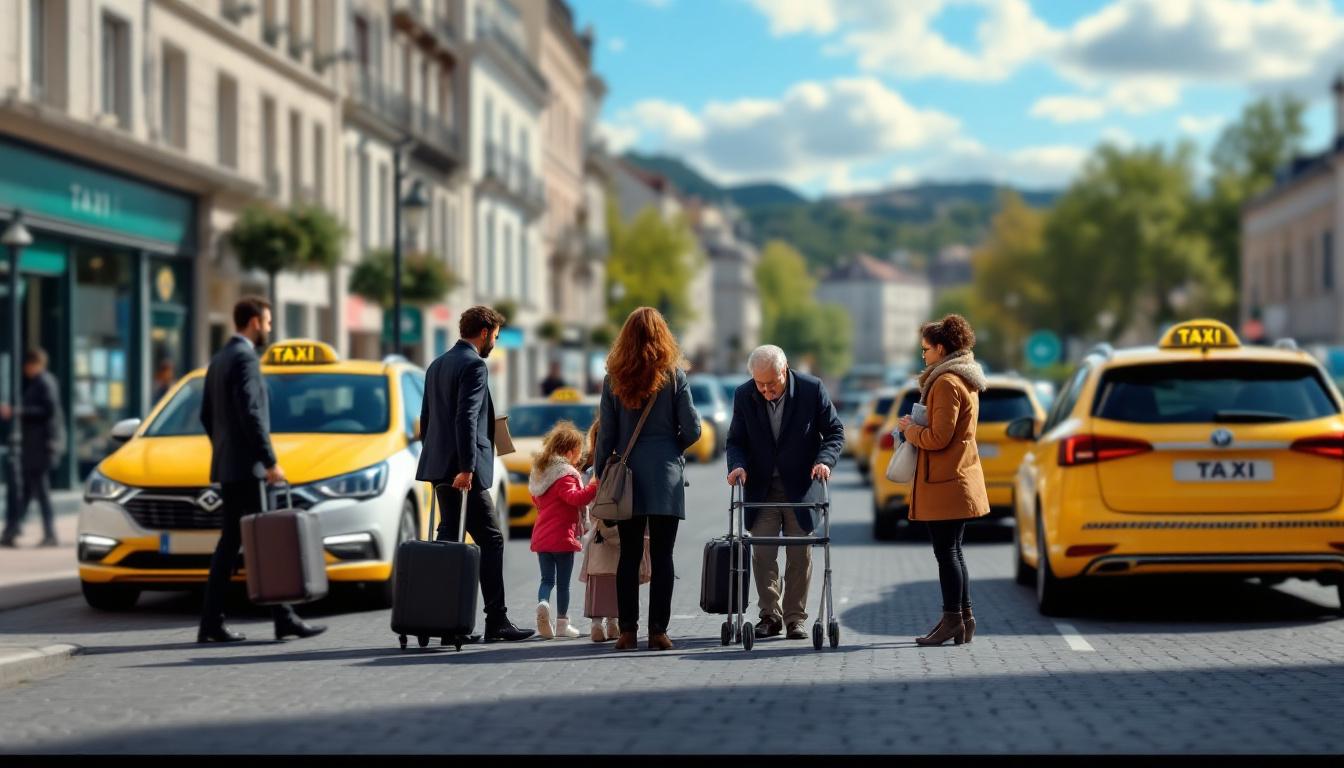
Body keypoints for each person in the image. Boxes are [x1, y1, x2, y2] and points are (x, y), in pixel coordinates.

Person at [197, 297, 326, 643]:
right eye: (267, 322)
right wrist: (268, 461)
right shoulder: (244, 359)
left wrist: (225, 452)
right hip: (249, 469)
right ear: (254, 322)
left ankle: (214, 622)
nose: (269, 328)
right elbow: (252, 414)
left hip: (229, 466)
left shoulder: (219, 359)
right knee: (266, 544)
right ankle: (280, 618)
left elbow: (206, 416)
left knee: (233, 544)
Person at [416, 306, 532, 642]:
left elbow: (428, 419)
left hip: (439, 466)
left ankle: (436, 619)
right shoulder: (473, 365)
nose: (494, 342)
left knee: (448, 539)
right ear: (483, 332)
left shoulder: (437, 365)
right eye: (495, 335)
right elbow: (465, 418)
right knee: (491, 539)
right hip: (460, 471)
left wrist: (437, 459)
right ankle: (496, 621)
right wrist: (466, 467)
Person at [594, 307, 701, 651]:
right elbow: (694, 428)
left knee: (628, 554)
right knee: (663, 554)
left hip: (627, 476)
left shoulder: (614, 377)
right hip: (665, 476)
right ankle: (659, 631)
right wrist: (672, 448)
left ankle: (627, 631)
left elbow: (606, 434)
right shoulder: (673, 375)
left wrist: (601, 475)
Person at [725, 345, 844, 640]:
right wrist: (737, 466)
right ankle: (770, 617)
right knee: (763, 554)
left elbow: (834, 432)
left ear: (785, 369)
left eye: (772, 384)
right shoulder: (743, 394)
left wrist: (824, 461)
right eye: (760, 384)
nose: (766, 391)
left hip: (801, 487)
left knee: (799, 554)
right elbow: (736, 440)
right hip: (761, 487)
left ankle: (795, 619)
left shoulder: (811, 389)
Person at [896, 314, 990, 647]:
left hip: (946, 481)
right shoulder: (963, 379)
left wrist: (910, 430)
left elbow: (938, 437)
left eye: (925, 349)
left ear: (940, 348)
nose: (922, 355)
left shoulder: (948, 382)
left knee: (946, 554)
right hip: (955, 478)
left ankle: (953, 619)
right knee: (954, 552)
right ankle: (962, 618)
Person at [578, 418, 650, 643]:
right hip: (622, 530)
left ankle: (596, 623)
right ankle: (613, 623)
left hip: (599, 534)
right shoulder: (627, 467)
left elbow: (588, 504)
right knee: (622, 578)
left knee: (598, 581)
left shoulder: (592, 470)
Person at [528, 420, 596, 640]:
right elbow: (575, 498)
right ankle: (562, 623)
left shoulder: (541, 475)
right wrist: (595, 485)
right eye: (578, 453)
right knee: (564, 584)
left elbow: (538, 502)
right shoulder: (565, 475)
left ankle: (543, 603)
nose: (580, 458)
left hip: (541, 536)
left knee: (547, 580)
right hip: (562, 537)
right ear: (569, 452)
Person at [0, 348, 66, 548]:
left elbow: (49, 412)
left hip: (41, 447)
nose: (25, 370)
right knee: (28, 491)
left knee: (40, 491)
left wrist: (18, 412)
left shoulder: (44, 382)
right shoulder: (41, 382)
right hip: (36, 446)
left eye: (28, 365)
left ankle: (48, 533)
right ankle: (13, 531)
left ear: (35, 364)